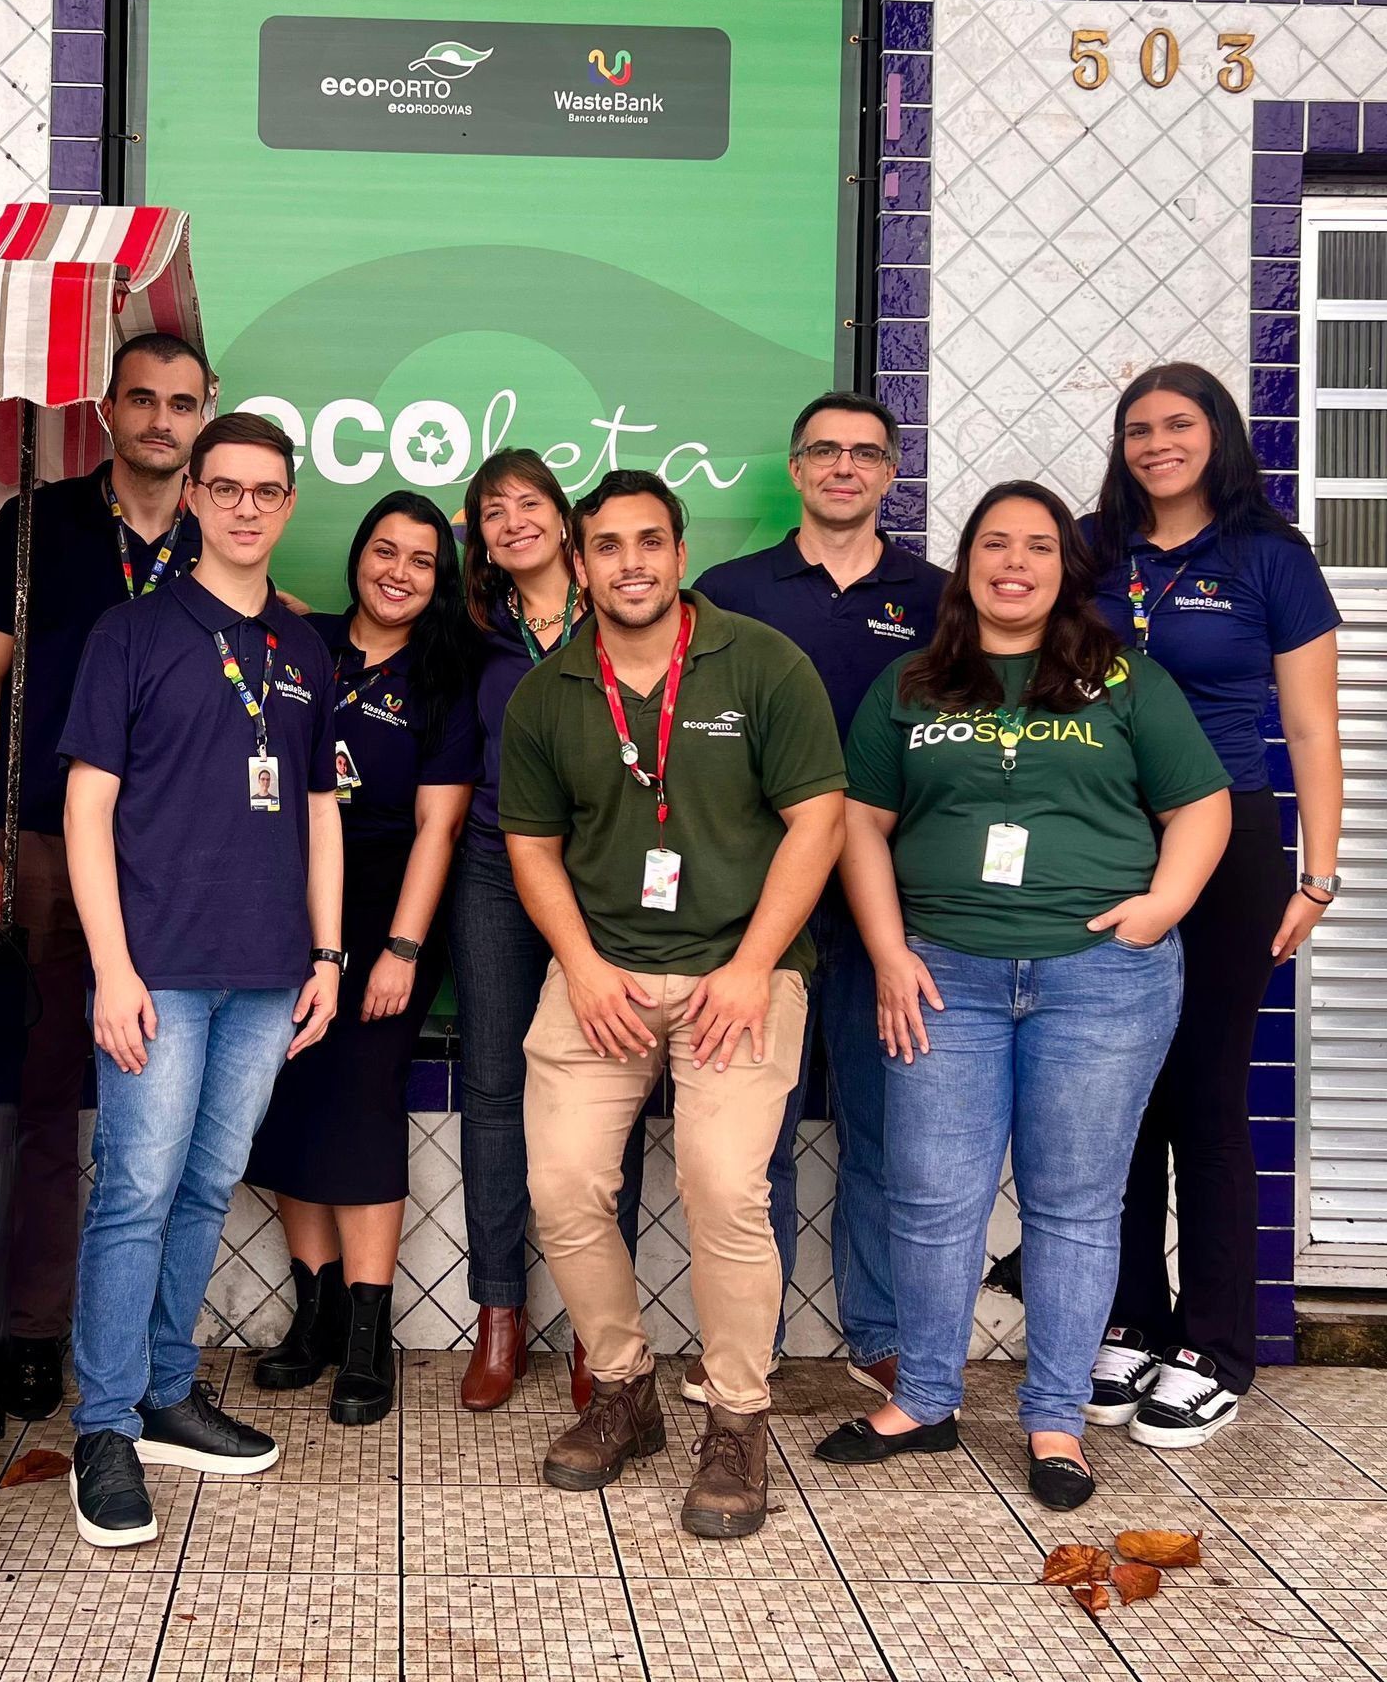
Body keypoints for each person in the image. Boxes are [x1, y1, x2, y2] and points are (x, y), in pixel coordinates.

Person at [818, 481, 1230, 1513]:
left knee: (1075, 1205)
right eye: (995, 544)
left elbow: (1201, 802)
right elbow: (860, 822)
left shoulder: (1121, 677)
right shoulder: (913, 682)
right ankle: (924, 1398)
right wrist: (888, 950)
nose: (1015, 563)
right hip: (943, 976)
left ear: (1064, 568)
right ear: (967, 566)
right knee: (930, 1196)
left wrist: (1162, 906)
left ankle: (1055, 1418)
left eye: (1038, 546)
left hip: (1100, 983)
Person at [501, 470, 845, 1539]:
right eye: (607, 546)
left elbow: (819, 820)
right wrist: (581, 965)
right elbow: (531, 845)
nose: (631, 564)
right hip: (600, 974)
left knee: (724, 1186)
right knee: (562, 1185)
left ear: (681, 555)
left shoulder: (765, 663)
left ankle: (737, 1419)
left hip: (741, 975)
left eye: (650, 541)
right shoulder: (550, 691)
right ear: (579, 563)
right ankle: (623, 1390)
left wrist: (752, 966)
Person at [58, 411, 344, 1549]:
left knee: (205, 1186)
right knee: (134, 1191)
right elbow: (86, 807)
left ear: (288, 505)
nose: (243, 508)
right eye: (223, 488)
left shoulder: (304, 649)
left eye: (265, 491)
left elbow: (319, 810)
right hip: (159, 971)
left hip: (267, 973)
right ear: (192, 499)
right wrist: (111, 968)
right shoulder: (132, 633)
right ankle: (104, 1426)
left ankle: (168, 1394)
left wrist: (328, 955)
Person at [0, 330, 209, 1419]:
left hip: (178, 864)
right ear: (105, 410)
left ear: (205, 414)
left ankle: (149, 1349)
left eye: (181, 404)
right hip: (49, 849)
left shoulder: (217, 530)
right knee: (48, 1098)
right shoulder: (36, 526)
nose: (160, 419)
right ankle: (31, 1329)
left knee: (170, 1113)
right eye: (141, 399)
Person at [1083, 365, 1342, 1447]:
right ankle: (1132, 1321)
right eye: (1137, 429)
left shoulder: (1270, 557)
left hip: (1231, 836)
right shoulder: (1094, 552)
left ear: (1218, 434)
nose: (1156, 444)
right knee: (1119, 1095)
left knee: (1208, 1093)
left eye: (1177, 425)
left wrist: (1318, 875)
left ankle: (1217, 1345)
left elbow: (1312, 726)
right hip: (1107, 835)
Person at [695, 392, 945, 1403]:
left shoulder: (937, 598)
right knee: (756, 1135)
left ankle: (878, 1334)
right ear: (796, 469)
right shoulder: (729, 592)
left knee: (883, 1128)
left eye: (866, 454)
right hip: (760, 908)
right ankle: (748, 1343)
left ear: (891, 473)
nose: (845, 467)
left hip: (893, 904)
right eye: (825, 451)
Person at [246, 492, 481, 1425]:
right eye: (385, 551)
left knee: (361, 1101)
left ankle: (367, 1335)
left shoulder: (445, 675)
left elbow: (439, 827)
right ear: (357, 555)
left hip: (388, 911)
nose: (399, 573)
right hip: (284, 905)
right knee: (289, 1095)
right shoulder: (303, 647)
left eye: (421, 560)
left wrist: (402, 950)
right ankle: (316, 1316)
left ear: (440, 578)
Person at [450, 449, 646, 1415]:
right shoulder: (473, 628)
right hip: (496, 865)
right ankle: (501, 1314)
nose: (514, 521)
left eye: (529, 503)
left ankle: (599, 1332)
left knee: (613, 1083)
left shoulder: (620, 603)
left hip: (605, 866)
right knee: (493, 1087)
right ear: (481, 539)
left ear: (565, 520)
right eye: (494, 512)